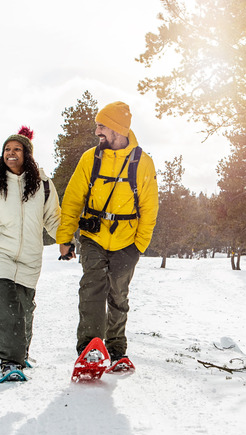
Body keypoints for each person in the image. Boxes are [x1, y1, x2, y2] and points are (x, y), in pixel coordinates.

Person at [56, 101, 159, 368]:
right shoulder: (91, 159)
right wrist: (65, 238)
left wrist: (139, 246)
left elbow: (149, 208)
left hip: (127, 242)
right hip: (93, 237)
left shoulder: (143, 163)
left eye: (102, 126)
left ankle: (116, 350)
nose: (97, 131)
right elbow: (73, 200)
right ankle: (90, 349)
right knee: (91, 288)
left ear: (117, 128)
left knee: (118, 295)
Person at [0, 126, 61, 382]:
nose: (11, 153)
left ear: (27, 154)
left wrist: (66, 241)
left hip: (30, 257)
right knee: (6, 305)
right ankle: (9, 361)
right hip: (1, 255)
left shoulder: (42, 184)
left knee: (24, 308)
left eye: (17, 149)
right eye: (7, 149)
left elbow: (53, 220)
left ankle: (21, 353)